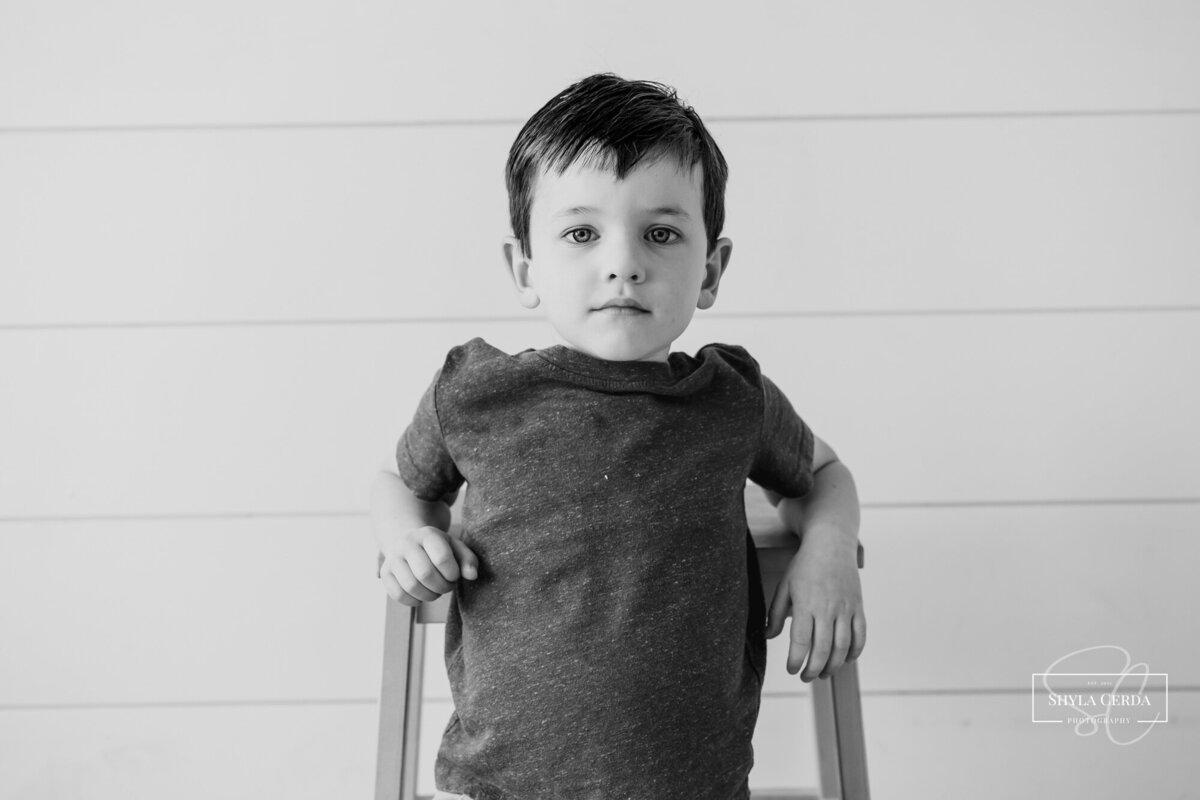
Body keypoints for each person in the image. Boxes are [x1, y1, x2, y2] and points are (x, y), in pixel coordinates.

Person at [371, 73, 865, 800]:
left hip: (695, 783)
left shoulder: (730, 397)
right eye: (581, 233)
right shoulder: (477, 393)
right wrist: (404, 534)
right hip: (507, 783)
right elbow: (397, 482)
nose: (623, 262)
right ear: (525, 266)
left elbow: (823, 477)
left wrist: (828, 551)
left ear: (711, 269)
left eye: (661, 234)